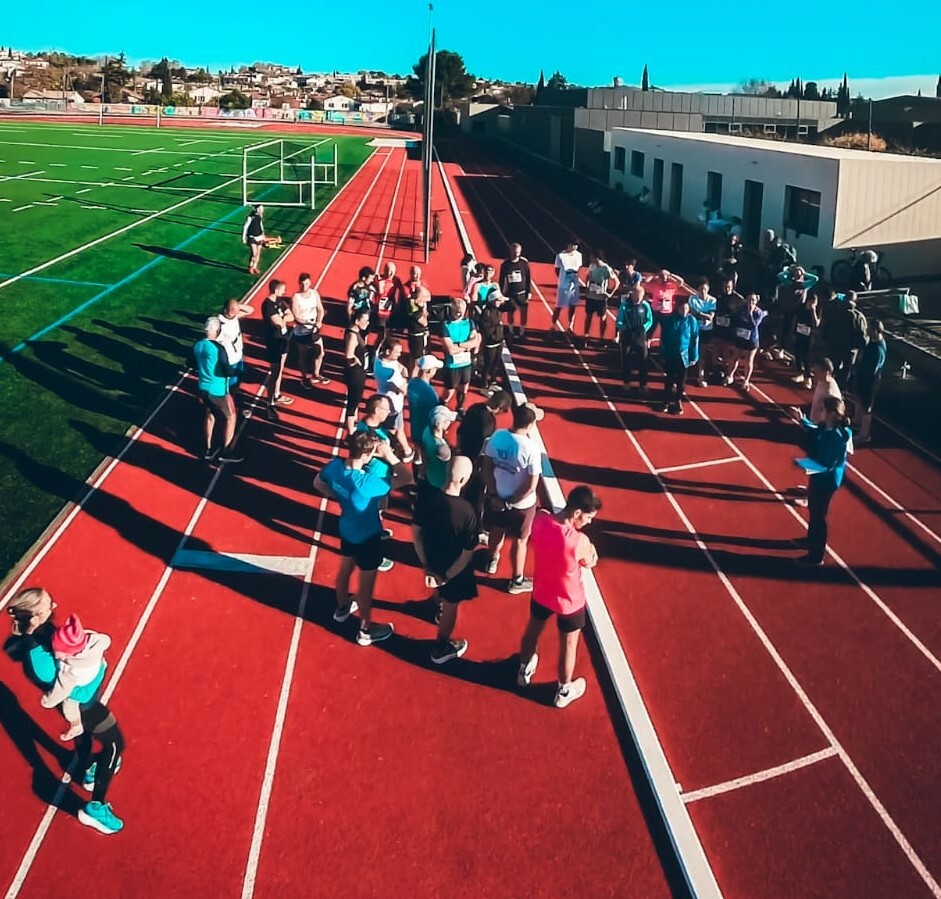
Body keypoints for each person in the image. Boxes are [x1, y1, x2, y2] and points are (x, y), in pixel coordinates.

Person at [6, 588, 126, 835]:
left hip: (80, 702)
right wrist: (97, 666)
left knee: (83, 737)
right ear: (36, 615)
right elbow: (68, 688)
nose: (55, 605)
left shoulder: (42, 633)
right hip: (84, 705)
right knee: (114, 745)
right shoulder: (38, 656)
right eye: (50, 605)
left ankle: (86, 771)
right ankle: (95, 807)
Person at [313, 431, 410, 644]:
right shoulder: (366, 483)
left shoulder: (334, 467)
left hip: (347, 528)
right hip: (368, 536)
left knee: (345, 569)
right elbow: (406, 478)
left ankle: (342, 607)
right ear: (367, 455)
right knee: (366, 587)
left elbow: (318, 484)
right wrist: (390, 456)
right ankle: (365, 630)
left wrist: (338, 495)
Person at [517, 485, 601, 709]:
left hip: (542, 591)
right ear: (576, 513)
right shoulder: (578, 540)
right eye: (588, 517)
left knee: (532, 630)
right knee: (569, 644)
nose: (589, 522)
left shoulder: (541, 520)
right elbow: (590, 561)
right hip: (569, 600)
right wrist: (591, 552)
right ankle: (563, 690)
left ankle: (524, 668)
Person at [413, 455, 479, 664]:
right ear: (464, 480)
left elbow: (416, 534)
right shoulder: (467, 512)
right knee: (451, 605)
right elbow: (468, 552)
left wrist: (427, 565)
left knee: (440, 592)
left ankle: (436, 601)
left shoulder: (426, 501)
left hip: (432, 558)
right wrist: (446, 576)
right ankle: (441, 646)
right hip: (453, 569)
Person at [482, 403, 542, 593]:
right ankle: (516, 580)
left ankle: (492, 559)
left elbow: (487, 465)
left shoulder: (498, 436)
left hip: (497, 497)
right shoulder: (531, 448)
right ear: (531, 424)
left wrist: (494, 495)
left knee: (496, 530)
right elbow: (531, 485)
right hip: (521, 505)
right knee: (520, 540)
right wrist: (510, 502)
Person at [789, 397, 852, 566]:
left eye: (823, 409)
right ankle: (810, 540)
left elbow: (828, 464)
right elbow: (816, 431)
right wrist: (802, 420)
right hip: (818, 475)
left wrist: (803, 463)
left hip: (827, 480)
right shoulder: (827, 427)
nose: (820, 412)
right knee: (813, 509)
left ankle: (816, 555)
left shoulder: (837, 436)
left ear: (832, 413)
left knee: (819, 515)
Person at [40, 614, 111, 742]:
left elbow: (61, 690)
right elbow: (106, 640)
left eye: (60, 655)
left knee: (69, 705)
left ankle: (76, 725)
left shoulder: (71, 671)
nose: (57, 657)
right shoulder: (93, 640)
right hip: (97, 669)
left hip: (83, 683)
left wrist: (48, 701)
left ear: (71, 654)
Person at [193, 316, 242, 463]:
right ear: (217, 330)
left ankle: (208, 448)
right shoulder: (218, 348)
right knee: (231, 416)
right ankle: (226, 452)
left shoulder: (198, 345)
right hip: (218, 390)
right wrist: (236, 373)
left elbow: (191, 363)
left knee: (210, 414)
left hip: (202, 387)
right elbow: (226, 369)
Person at [658, 295, 699, 415]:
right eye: (682, 309)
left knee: (681, 381)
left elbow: (695, 339)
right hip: (671, 353)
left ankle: (678, 401)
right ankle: (665, 400)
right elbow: (663, 337)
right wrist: (662, 352)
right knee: (669, 379)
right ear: (678, 308)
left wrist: (694, 356)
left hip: (684, 355)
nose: (685, 311)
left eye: (687, 309)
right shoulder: (670, 319)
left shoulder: (692, 321)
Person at [373, 338, 413, 460]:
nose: (399, 355)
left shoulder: (379, 359)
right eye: (397, 352)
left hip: (384, 400)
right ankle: (406, 451)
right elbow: (405, 389)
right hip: (393, 405)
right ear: (387, 351)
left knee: (393, 428)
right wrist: (406, 376)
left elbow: (399, 366)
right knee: (397, 429)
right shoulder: (390, 373)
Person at [261, 279, 295, 422]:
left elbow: (291, 316)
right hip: (274, 341)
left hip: (283, 339)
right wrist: (283, 318)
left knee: (280, 368)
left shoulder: (280, 302)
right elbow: (278, 322)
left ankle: (276, 393)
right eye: (282, 289)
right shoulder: (268, 305)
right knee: (274, 372)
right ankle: (270, 403)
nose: (284, 292)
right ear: (275, 290)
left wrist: (283, 318)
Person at [441, 297, 480, 416]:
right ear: (452, 310)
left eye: (462, 311)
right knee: (449, 391)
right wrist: (466, 346)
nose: (460, 313)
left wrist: (459, 345)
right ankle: (441, 406)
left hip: (466, 363)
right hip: (452, 364)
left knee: (464, 388)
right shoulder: (446, 326)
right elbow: (450, 350)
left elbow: (475, 341)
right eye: (457, 311)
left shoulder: (469, 323)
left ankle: (460, 408)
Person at [291, 272, 329, 389]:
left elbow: (320, 309)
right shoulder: (296, 297)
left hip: (314, 330)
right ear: (299, 284)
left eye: (307, 284)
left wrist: (319, 321)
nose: (304, 286)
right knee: (303, 355)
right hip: (302, 332)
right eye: (302, 284)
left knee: (320, 352)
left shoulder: (314, 294)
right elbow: (296, 316)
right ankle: (304, 377)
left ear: (310, 283)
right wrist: (308, 323)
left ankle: (316, 373)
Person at [615, 284, 653, 396]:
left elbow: (650, 319)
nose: (638, 298)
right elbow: (619, 321)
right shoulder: (625, 305)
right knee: (626, 359)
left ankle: (643, 384)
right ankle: (627, 381)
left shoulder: (645, 305)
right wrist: (624, 328)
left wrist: (644, 328)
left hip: (640, 336)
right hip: (627, 335)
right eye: (636, 295)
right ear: (632, 294)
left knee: (643, 360)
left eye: (640, 296)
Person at [407, 354, 444, 467]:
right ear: (429, 371)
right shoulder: (430, 393)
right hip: (426, 429)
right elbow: (435, 415)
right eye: (435, 369)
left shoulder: (412, 383)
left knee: (418, 449)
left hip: (414, 425)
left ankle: (417, 462)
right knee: (427, 455)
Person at [853, 320, 886, 445]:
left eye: (869, 329)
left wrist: (863, 375)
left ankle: (864, 434)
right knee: (859, 399)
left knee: (867, 405)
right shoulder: (873, 343)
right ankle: (857, 422)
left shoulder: (878, 348)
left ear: (875, 330)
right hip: (863, 377)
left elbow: (873, 368)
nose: (866, 330)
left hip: (870, 380)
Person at [725, 292, 767, 392]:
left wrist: (751, 313)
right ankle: (730, 376)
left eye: (753, 300)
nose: (750, 302)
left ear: (756, 302)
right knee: (735, 357)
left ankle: (746, 381)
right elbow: (735, 320)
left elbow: (754, 325)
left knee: (749, 361)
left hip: (752, 339)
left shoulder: (758, 312)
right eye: (749, 300)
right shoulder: (741, 309)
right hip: (740, 337)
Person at [476, 285, 508, 396]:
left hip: (498, 342)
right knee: (488, 364)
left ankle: (493, 381)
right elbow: (486, 329)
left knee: (496, 363)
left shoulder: (498, 310)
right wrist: (496, 331)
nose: (500, 302)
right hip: (491, 343)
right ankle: (483, 385)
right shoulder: (487, 312)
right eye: (498, 300)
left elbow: (512, 305)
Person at [343, 309, 371, 434]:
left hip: (358, 372)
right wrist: (357, 363)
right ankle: (350, 434)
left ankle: (353, 425)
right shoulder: (352, 335)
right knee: (353, 402)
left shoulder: (357, 332)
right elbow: (349, 355)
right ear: (357, 320)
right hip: (355, 373)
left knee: (356, 400)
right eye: (365, 320)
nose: (368, 323)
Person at [583, 249, 618, 345]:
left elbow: (617, 282)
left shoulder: (606, 269)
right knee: (588, 316)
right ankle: (586, 336)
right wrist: (587, 287)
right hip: (591, 296)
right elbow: (588, 277)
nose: (590, 258)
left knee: (602, 318)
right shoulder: (592, 266)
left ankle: (601, 338)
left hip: (601, 299)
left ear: (596, 257)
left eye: (592, 257)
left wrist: (610, 293)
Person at [217, 296, 253, 391]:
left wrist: (238, 306)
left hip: (238, 355)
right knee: (230, 385)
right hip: (230, 359)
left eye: (235, 311)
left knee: (238, 379)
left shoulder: (233, 316)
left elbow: (250, 310)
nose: (234, 313)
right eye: (232, 311)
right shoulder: (219, 323)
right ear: (225, 310)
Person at [712, 277, 744, 383]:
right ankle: (715, 370)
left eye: (729, 287)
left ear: (733, 287)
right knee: (716, 349)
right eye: (725, 286)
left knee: (727, 351)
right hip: (718, 328)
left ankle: (727, 372)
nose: (727, 289)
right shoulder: (718, 296)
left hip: (730, 330)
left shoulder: (738, 299)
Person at [644, 269, 683, 353]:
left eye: (665, 277)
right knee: (650, 330)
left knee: (665, 332)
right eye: (662, 277)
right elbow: (646, 281)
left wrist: (671, 275)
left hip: (667, 313)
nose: (664, 279)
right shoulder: (656, 285)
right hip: (655, 311)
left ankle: (662, 350)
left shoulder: (671, 286)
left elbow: (681, 281)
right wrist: (655, 275)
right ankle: (646, 348)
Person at [550, 239, 584, 336]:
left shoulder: (579, 255)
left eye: (576, 245)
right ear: (568, 244)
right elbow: (557, 270)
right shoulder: (561, 256)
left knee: (573, 305)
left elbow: (579, 268)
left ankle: (570, 326)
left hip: (574, 285)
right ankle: (553, 325)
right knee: (559, 306)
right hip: (563, 285)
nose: (574, 247)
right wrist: (563, 279)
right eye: (573, 245)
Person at [687, 279, 717, 387]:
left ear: (708, 290)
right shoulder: (692, 299)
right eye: (701, 289)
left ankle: (701, 375)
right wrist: (704, 314)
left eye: (705, 289)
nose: (703, 291)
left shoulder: (712, 300)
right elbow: (692, 312)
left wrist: (699, 313)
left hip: (706, 330)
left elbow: (711, 316)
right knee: (691, 350)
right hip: (694, 328)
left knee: (702, 353)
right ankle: (687, 372)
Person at [499, 243, 532, 340]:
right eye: (514, 252)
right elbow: (502, 279)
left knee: (523, 313)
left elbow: (528, 278)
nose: (516, 254)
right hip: (510, 293)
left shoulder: (524, 263)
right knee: (510, 313)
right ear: (511, 251)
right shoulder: (505, 264)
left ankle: (522, 332)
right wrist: (501, 293)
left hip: (522, 293)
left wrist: (529, 292)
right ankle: (511, 331)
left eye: (518, 252)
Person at [421, 405, 457, 491]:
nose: (450, 422)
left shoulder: (426, 430)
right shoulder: (442, 448)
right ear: (442, 424)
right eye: (448, 421)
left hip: (430, 472)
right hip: (441, 480)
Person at [790, 292, 821, 389]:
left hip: (809, 335)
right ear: (808, 301)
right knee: (797, 353)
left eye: (815, 302)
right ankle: (800, 373)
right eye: (812, 302)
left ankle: (808, 377)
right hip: (799, 333)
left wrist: (813, 312)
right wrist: (793, 331)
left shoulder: (817, 309)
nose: (813, 304)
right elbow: (795, 319)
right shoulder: (801, 307)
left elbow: (816, 324)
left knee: (806, 355)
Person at [242, 204, 280, 275]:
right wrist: (244, 237)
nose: (262, 210)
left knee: (258, 253)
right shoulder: (250, 217)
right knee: (254, 253)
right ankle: (250, 267)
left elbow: (260, 225)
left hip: (259, 236)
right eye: (260, 209)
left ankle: (254, 267)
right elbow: (245, 227)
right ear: (256, 209)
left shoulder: (259, 217)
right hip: (252, 237)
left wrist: (262, 233)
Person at [374, 261, 404, 345]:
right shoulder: (379, 279)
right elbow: (378, 292)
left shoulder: (396, 280)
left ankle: (386, 347)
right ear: (384, 270)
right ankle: (376, 350)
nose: (390, 273)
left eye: (392, 271)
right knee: (381, 333)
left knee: (389, 332)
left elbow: (403, 291)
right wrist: (379, 284)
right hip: (381, 309)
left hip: (391, 308)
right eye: (387, 270)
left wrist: (399, 304)